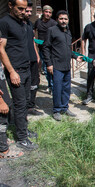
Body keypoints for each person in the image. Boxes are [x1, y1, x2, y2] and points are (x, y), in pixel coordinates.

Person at [0, 0, 38, 150]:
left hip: (26, 68)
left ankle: (24, 129)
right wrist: (11, 72)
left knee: (26, 101)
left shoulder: (23, 23)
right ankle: (22, 138)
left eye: (25, 9)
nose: (23, 11)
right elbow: (1, 50)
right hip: (16, 71)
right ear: (10, 5)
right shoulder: (4, 22)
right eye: (20, 9)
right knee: (20, 104)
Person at [42, 10, 82, 121]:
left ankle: (65, 107)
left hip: (66, 66)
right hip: (56, 66)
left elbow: (67, 49)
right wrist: (49, 64)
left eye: (65, 19)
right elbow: (45, 48)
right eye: (61, 18)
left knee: (66, 88)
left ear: (68, 20)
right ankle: (57, 110)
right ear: (57, 20)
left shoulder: (68, 32)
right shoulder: (51, 30)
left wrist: (75, 57)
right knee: (57, 88)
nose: (63, 21)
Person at [24, 1, 42, 116]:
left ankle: (31, 106)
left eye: (31, 11)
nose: (29, 13)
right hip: (23, 61)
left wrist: (37, 56)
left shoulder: (30, 24)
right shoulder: (15, 24)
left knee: (35, 83)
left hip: (33, 59)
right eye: (27, 11)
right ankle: (24, 108)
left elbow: (32, 41)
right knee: (25, 84)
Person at [34, 5, 56, 94]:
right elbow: (33, 31)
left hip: (51, 50)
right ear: (43, 12)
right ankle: (50, 85)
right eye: (46, 12)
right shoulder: (38, 22)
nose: (48, 14)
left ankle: (53, 86)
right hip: (42, 50)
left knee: (51, 68)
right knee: (45, 69)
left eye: (50, 12)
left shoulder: (53, 23)